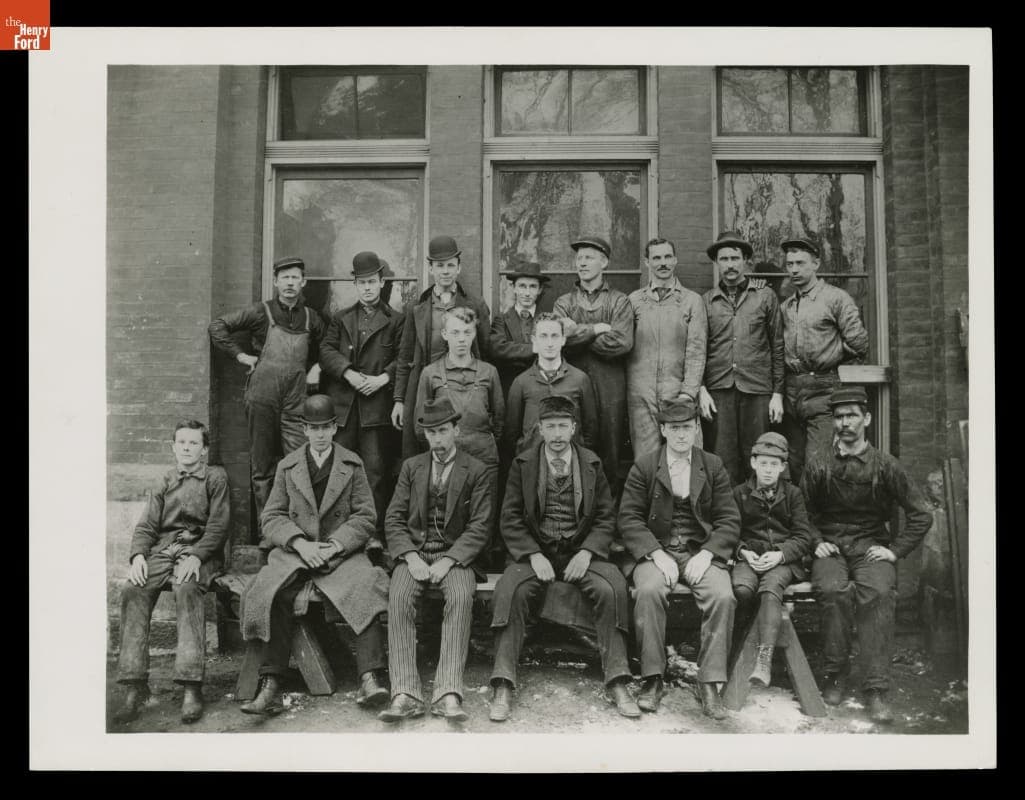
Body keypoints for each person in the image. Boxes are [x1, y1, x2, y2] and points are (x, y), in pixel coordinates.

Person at [237, 395, 390, 716]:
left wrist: (335, 545)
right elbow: (272, 516)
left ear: (335, 428)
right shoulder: (288, 466)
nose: (320, 434)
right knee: (273, 592)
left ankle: (369, 676)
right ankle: (271, 684)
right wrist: (300, 544)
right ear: (304, 430)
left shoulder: (352, 463)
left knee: (368, 586)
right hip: (297, 552)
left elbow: (365, 516)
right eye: (313, 428)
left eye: (326, 427)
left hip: (339, 552)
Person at [488, 396, 638, 722]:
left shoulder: (592, 464)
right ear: (540, 429)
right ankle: (503, 682)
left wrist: (586, 552)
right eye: (550, 426)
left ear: (573, 428)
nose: (557, 434)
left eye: (562, 426)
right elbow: (510, 518)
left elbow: (604, 518)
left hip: (580, 552)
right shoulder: (523, 465)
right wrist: (532, 554)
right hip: (537, 553)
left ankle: (618, 679)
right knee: (509, 591)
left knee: (612, 589)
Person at [803, 386, 933, 723]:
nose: (845, 423)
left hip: (870, 547)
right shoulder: (819, 465)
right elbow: (800, 513)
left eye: (852, 416)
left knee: (877, 594)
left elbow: (921, 513)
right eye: (839, 417)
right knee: (832, 591)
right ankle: (834, 675)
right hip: (831, 548)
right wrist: (816, 540)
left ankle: (875, 687)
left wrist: (895, 551)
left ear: (867, 419)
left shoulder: (885, 465)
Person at [618, 397, 740, 719]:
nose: (682, 435)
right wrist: (656, 553)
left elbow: (729, 519)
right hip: (658, 549)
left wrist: (709, 553)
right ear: (663, 430)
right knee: (647, 591)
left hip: (699, 550)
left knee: (722, 595)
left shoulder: (712, 465)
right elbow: (628, 518)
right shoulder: (645, 466)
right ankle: (652, 678)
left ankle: (710, 681)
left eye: (687, 427)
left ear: (697, 429)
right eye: (675, 429)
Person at [380, 397, 492, 723]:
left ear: (456, 430)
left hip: (456, 557)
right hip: (416, 554)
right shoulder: (412, 467)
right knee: (399, 597)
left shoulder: (477, 470)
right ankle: (405, 694)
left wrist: (451, 559)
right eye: (431, 433)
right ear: (425, 436)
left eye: (443, 431)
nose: (438, 439)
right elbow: (394, 519)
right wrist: (411, 556)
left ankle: (448, 693)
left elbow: (480, 525)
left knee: (459, 596)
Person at [114, 420, 230, 725]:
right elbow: (147, 525)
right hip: (164, 550)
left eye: (194, 443)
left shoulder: (215, 478)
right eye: (182, 443)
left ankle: (191, 686)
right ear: (173, 447)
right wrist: (138, 555)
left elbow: (219, 526)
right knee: (132, 589)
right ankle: (134, 685)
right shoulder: (164, 479)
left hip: (202, 551)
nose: (187, 448)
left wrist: (198, 555)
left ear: (204, 449)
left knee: (187, 587)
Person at [208, 256, 325, 525]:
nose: (290, 283)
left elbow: (331, 344)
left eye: (295, 277)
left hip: (296, 401)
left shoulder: (312, 318)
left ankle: (301, 525)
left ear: (303, 282)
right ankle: (269, 529)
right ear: (275, 282)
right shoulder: (262, 312)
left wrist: (318, 365)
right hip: (262, 397)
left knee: (300, 462)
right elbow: (218, 327)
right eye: (284, 278)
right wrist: (241, 356)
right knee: (262, 466)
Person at [319, 251, 405, 553]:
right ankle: (336, 534)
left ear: (381, 283)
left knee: (375, 473)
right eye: (361, 282)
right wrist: (348, 373)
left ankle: (373, 535)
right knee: (339, 471)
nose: (367, 287)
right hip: (344, 410)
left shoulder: (396, 320)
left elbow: (404, 358)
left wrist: (383, 379)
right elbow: (326, 351)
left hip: (376, 410)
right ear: (355, 285)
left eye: (372, 281)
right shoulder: (341, 318)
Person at [779, 236, 869, 483]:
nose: (794, 269)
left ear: (815, 264)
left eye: (800, 263)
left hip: (824, 389)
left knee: (817, 464)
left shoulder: (836, 299)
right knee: (794, 464)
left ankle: (817, 521)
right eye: (790, 264)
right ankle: (802, 521)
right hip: (792, 392)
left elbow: (859, 343)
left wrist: (832, 353)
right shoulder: (786, 305)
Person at [391, 235, 491, 458]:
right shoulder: (417, 307)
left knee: (462, 449)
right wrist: (399, 400)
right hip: (426, 388)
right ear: (430, 269)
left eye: (450, 265)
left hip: (463, 388)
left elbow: (485, 352)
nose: (445, 271)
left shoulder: (475, 304)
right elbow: (404, 356)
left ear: (458, 268)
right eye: (439, 266)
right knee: (425, 449)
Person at [698, 231, 785, 486]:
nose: (730, 265)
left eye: (735, 258)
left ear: (746, 260)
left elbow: (777, 346)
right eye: (723, 259)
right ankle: (727, 519)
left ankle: (756, 518)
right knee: (722, 459)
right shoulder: (706, 302)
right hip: (719, 390)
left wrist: (778, 393)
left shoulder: (765, 297)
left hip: (757, 389)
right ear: (717, 263)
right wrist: (701, 389)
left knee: (758, 454)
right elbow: (698, 348)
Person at [730, 432, 814, 688]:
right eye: (763, 463)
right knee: (741, 589)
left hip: (782, 563)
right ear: (753, 463)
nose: (768, 470)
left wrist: (780, 554)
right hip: (749, 559)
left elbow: (803, 536)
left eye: (774, 464)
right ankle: (735, 655)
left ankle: (764, 660)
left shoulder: (793, 494)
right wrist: (743, 552)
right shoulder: (739, 493)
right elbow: (727, 531)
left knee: (770, 588)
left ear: (783, 467)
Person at [553, 236, 634, 491]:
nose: (582, 263)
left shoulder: (619, 301)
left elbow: (621, 343)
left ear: (604, 262)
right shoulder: (564, 302)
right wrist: (597, 328)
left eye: (589, 257)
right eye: (579, 258)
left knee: (611, 451)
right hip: (573, 385)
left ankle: (606, 517)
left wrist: (578, 332)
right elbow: (559, 340)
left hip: (611, 387)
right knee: (576, 445)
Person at [415, 306, 504, 516]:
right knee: (450, 516)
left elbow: (500, 420)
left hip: (484, 458)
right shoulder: (430, 373)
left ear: (474, 334)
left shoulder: (489, 372)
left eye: (467, 332)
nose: (461, 339)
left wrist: (480, 440)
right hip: (446, 456)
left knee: (484, 517)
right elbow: (420, 426)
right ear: (445, 334)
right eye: (455, 332)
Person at [627, 237, 707, 460]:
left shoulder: (692, 301)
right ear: (647, 262)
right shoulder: (634, 301)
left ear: (675, 260)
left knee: (688, 458)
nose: (662, 263)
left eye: (667, 257)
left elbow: (696, 351)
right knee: (646, 461)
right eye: (656, 258)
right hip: (641, 395)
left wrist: (688, 393)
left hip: (678, 393)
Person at [503, 312, 598, 457]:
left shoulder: (580, 379)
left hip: (570, 463)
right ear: (534, 340)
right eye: (543, 336)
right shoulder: (521, 382)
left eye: (554, 336)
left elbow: (591, 431)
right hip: (532, 465)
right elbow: (511, 434)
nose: (549, 343)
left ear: (563, 340)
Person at [489, 260, 550, 398]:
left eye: (533, 287)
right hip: (510, 387)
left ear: (540, 290)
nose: (527, 293)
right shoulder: (502, 320)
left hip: (541, 387)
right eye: (522, 286)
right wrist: (534, 349)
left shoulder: (548, 319)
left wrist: (515, 352)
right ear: (514, 288)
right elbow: (498, 348)